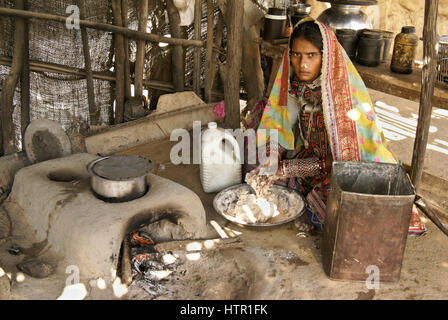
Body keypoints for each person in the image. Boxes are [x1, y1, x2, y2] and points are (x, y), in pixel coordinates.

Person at [244, 18, 426, 236]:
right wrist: (273, 160)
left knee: (332, 206)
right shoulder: (296, 86)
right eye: (296, 54)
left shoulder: (345, 97)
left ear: (326, 56)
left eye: (312, 55)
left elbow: (344, 161)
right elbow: (279, 125)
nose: (303, 64)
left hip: (353, 168)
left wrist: (286, 168)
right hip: (314, 159)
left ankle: (311, 210)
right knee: (260, 165)